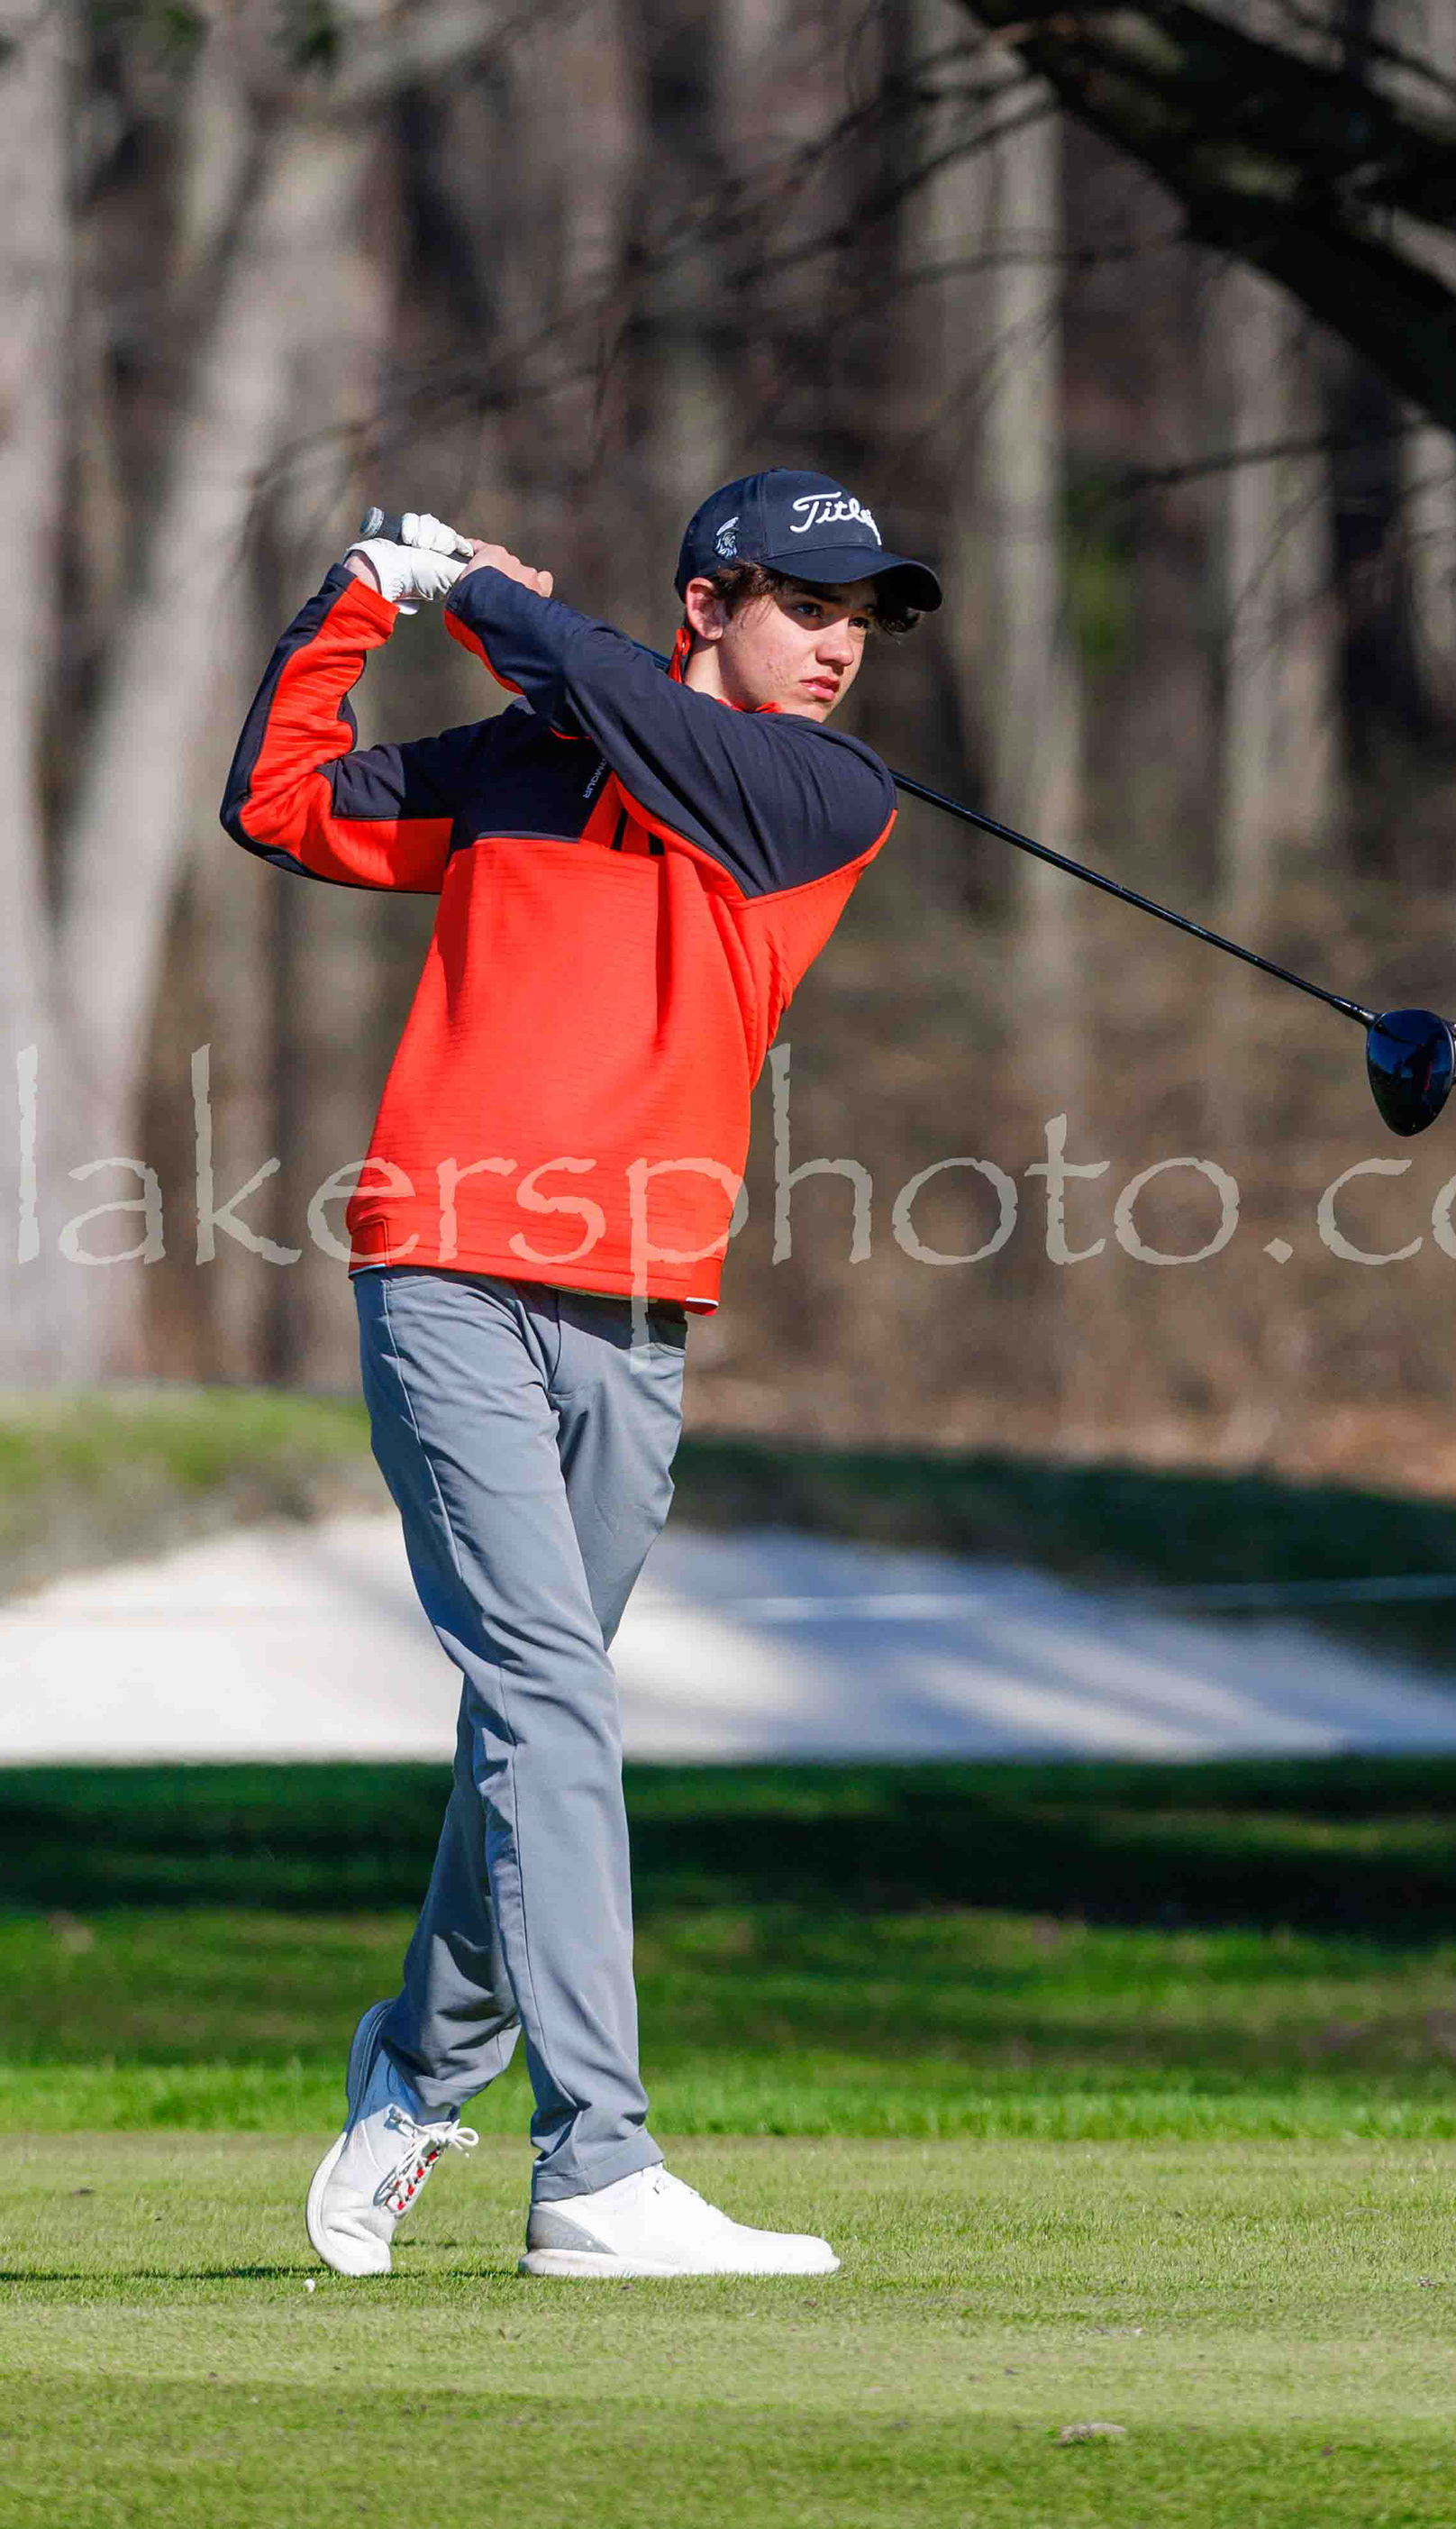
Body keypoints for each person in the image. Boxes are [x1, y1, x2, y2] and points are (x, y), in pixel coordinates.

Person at [221, 470, 941, 2279]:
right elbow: (281, 802)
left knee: (529, 1728)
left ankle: (415, 2065)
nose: (840, 647)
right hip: (446, 1265)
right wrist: (365, 594)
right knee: (549, 1695)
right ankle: (597, 2168)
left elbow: (633, 711)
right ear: (709, 601)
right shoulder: (517, 765)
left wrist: (487, 596)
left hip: (635, 1310)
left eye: (860, 620)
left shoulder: (820, 797)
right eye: (807, 607)